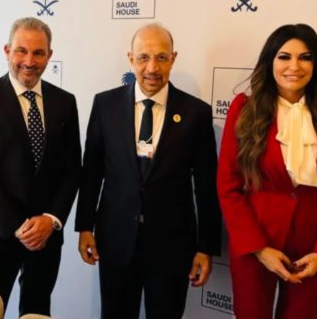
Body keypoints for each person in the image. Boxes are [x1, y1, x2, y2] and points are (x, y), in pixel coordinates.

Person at [75, 23, 222, 319]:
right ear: (131, 59)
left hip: (173, 245)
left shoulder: (196, 113)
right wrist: (84, 227)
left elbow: (206, 186)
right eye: (143, 57)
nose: (152, 68)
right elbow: (91, 172)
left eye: (161, 58)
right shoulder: (105, 105)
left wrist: (206, 247)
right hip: (115, 240)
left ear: (173, 58)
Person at [217, 24, 317, 319]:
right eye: (284, 57)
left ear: (316, 64)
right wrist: (258, 248)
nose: (294, 66)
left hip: (313, 249)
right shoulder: (244, 109)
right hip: (255, 243)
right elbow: (228, 186)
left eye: (305, 57)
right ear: (270, 62)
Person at [0, 17, 82, 316]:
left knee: (37, 310)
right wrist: (19, 226)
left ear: (49, 55)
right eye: (21, 51)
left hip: (46, 236)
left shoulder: (65, 102)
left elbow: (71, 169)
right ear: (7, 51)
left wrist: (50, 219)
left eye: (38, 53)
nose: (29, 61)